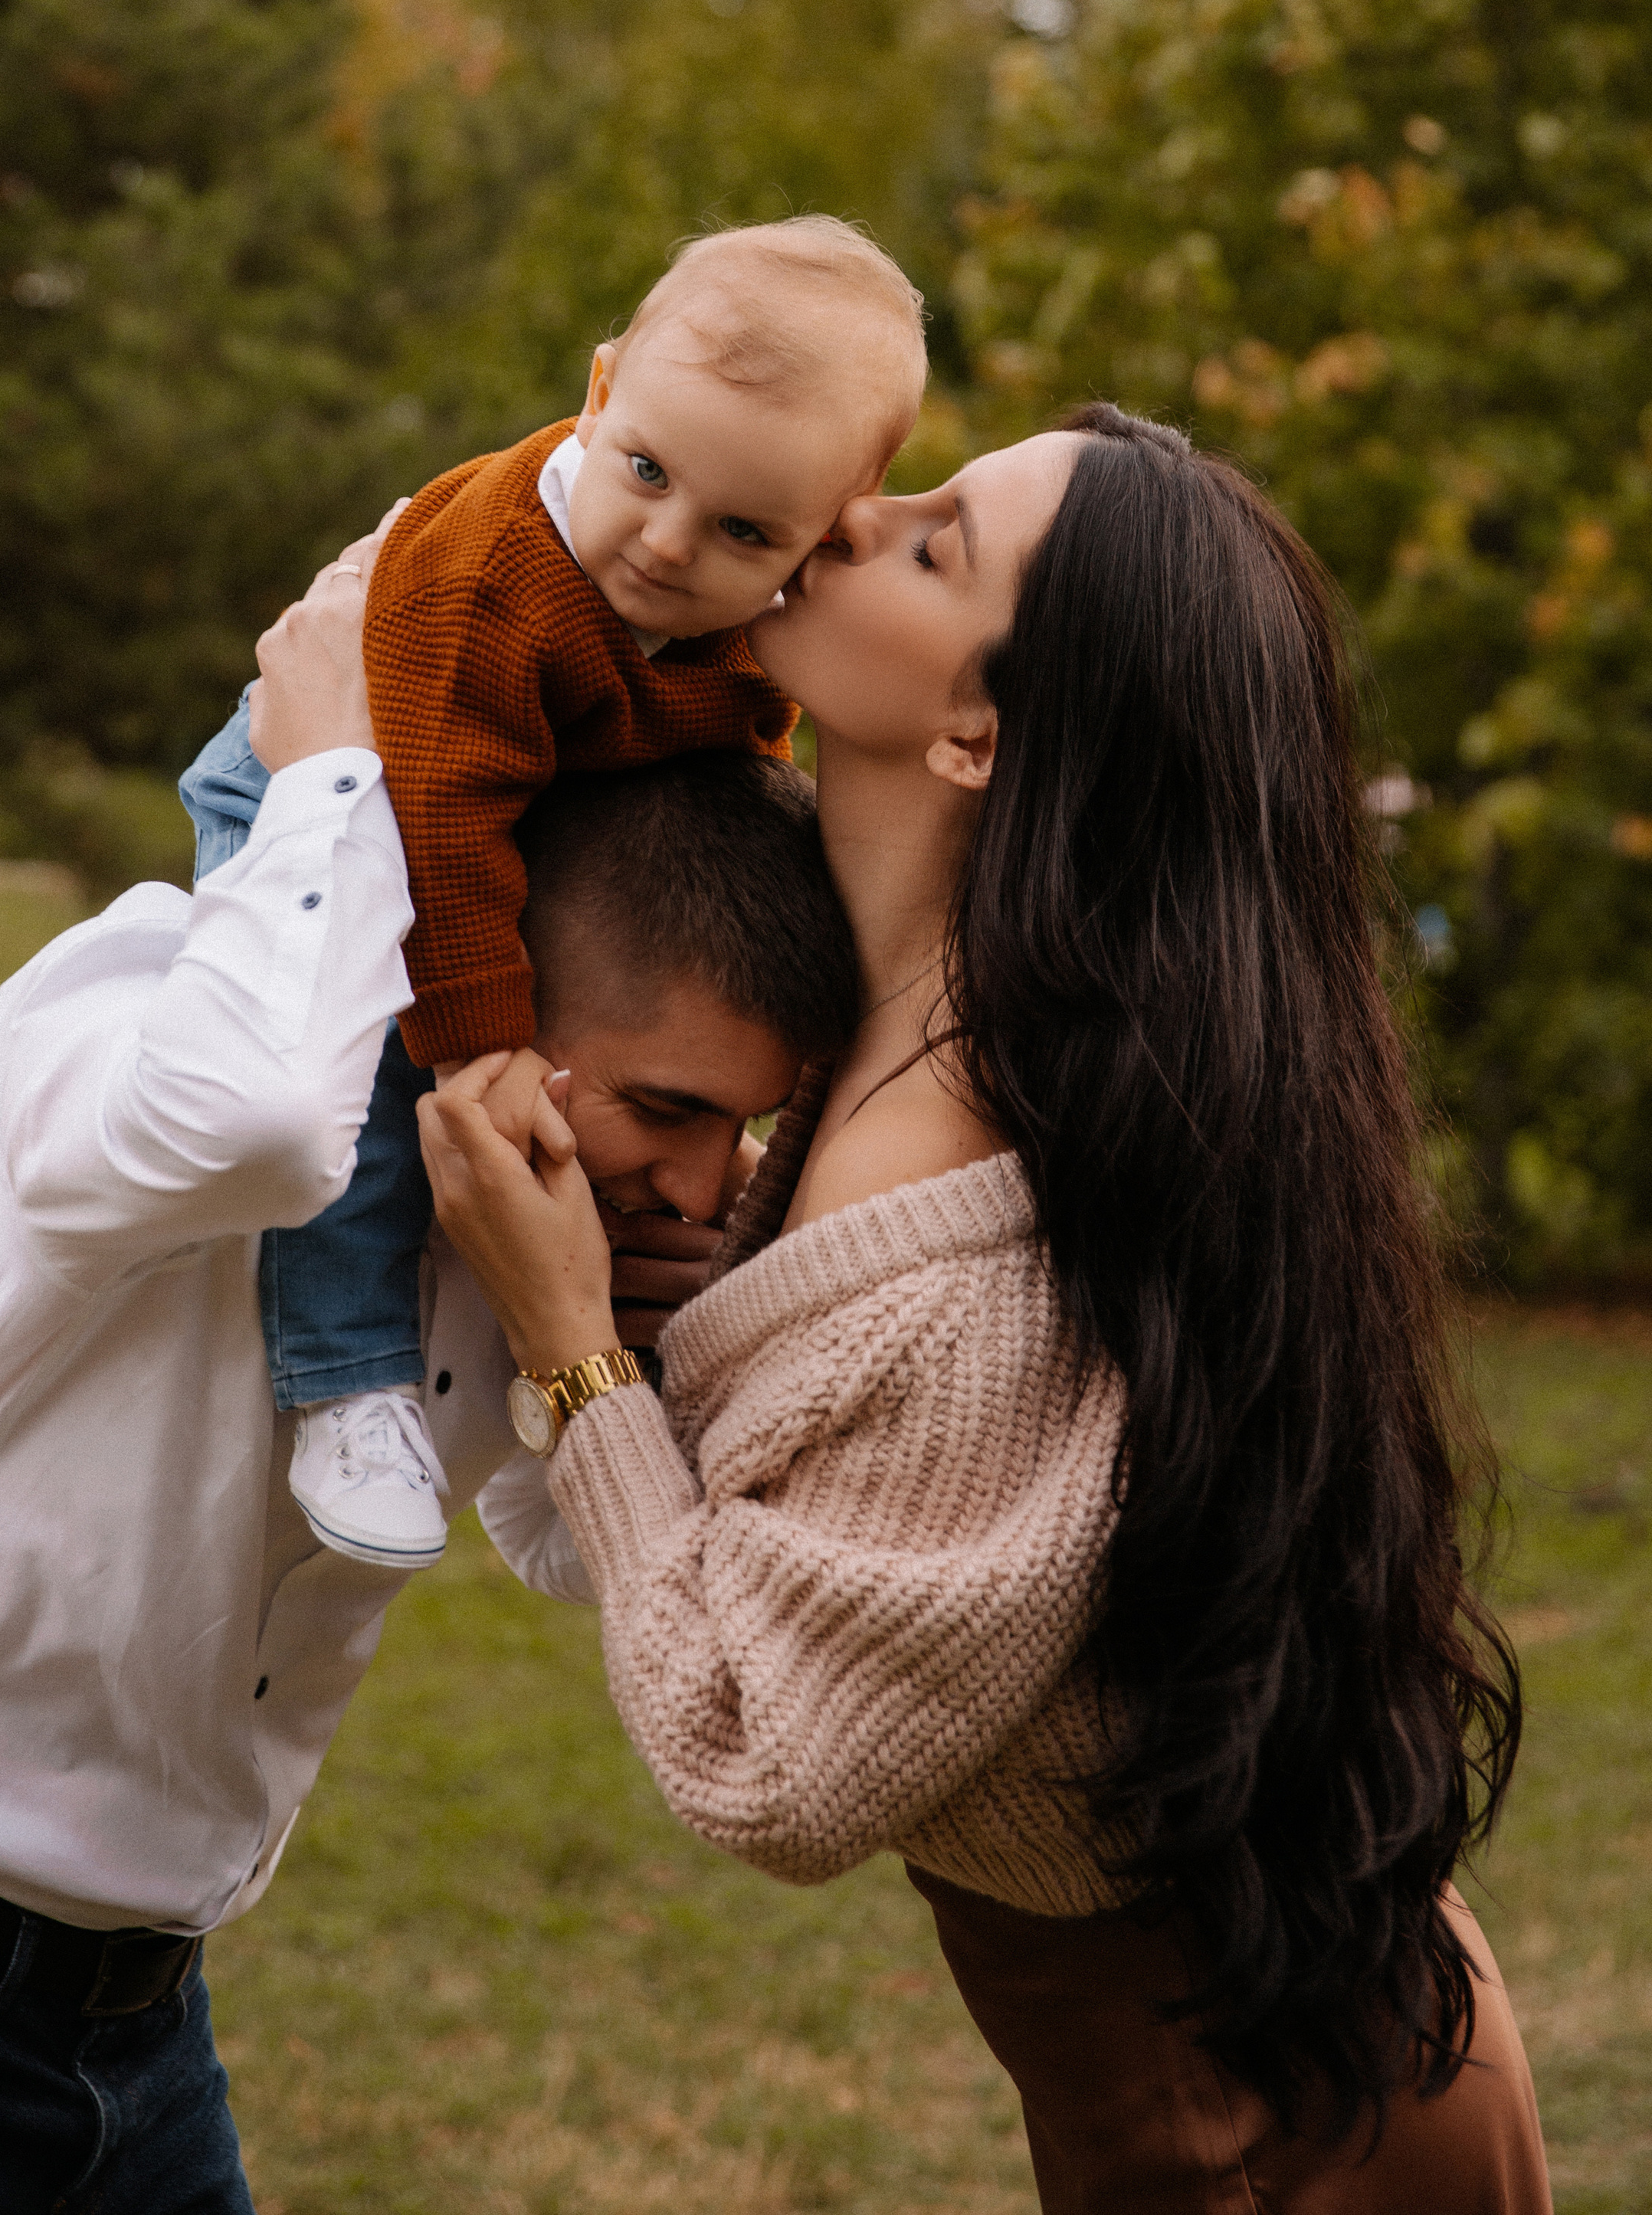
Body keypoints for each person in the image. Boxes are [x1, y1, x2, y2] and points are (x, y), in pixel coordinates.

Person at [419, 404, 1555, 2210]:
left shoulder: (971, 1265)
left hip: (1269, 2117)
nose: (852, 515)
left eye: (934, 540)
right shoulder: (914, 1052)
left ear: (977, 731)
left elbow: (765, 1769)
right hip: (1227, 2025)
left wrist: (573, 1356)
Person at [0, 552, 855, 2206]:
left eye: (741, 1126)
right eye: (671, 1109)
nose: (704, 1182)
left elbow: (558, 1547)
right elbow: (258, 1124)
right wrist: (336, 765)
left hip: (140, 2031)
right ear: (493, 992)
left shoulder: (515, 1210)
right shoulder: (140, 1000)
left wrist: (611, 1341)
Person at [179, 214, 926, 1573]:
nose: (669, 545)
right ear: (599, 389)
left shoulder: (743, 608)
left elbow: (737, 752)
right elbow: (443, 830)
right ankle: (348, 1382)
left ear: (826, 530)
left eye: (744, 529)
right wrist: (483, 1052)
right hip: (332, 784)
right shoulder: (494, 582)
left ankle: (572, 1389)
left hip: (505, 819)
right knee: (369, 1093)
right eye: (646, 470)